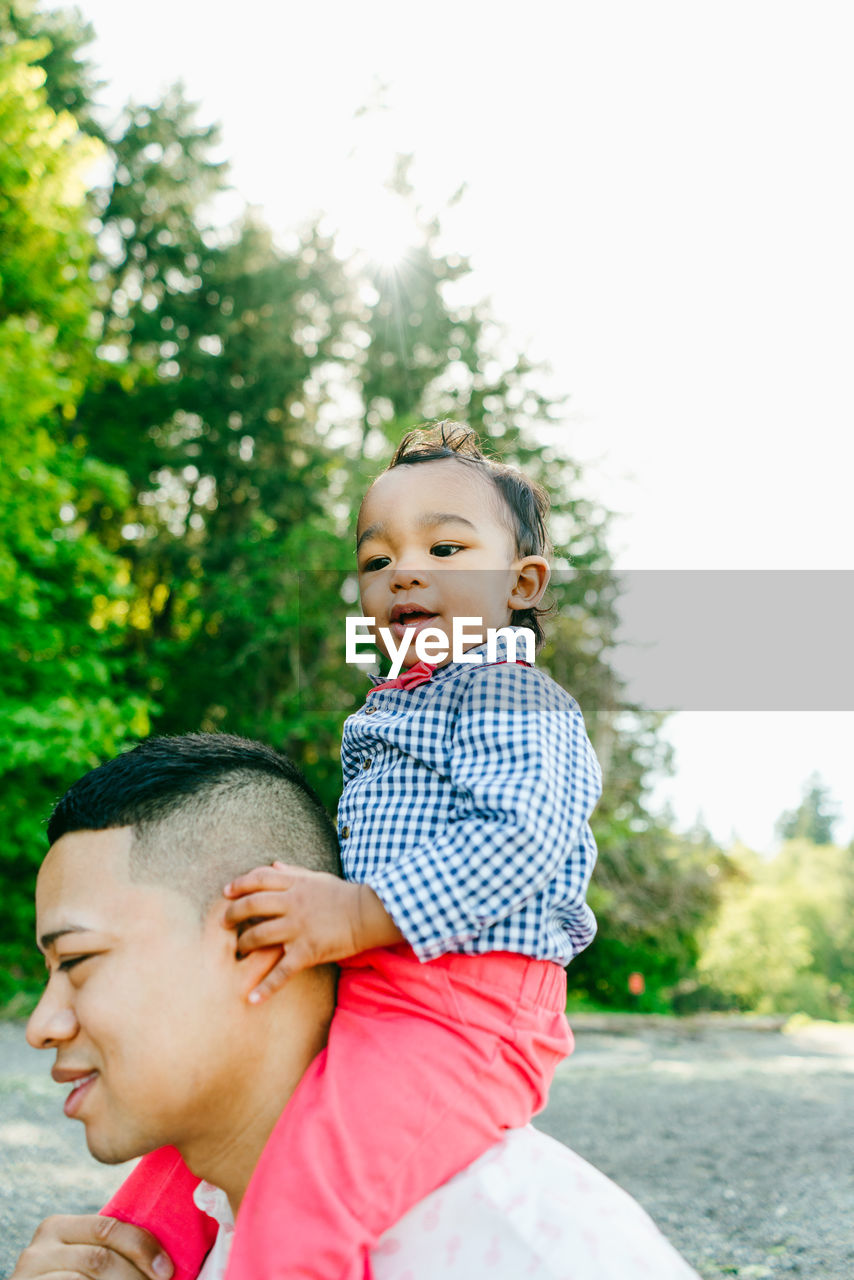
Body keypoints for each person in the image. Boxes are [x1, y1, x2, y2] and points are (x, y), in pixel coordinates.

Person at [105, 423, 604, 1280]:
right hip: (371, 981)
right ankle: (129, 1250)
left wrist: (359, 912)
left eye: (446, 547)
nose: (405, 570)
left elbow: (523, 837)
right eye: (377, 560)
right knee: (214, 1103)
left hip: (466, 1011)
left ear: (521, 583)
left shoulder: (509, 690)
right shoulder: (391, 706)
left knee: (309, 1194)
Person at [14, 733, 699, 1280]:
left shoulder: (533, 1251)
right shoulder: (173, 1244)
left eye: (76, 963)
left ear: (256, 938)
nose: (43, 1026)